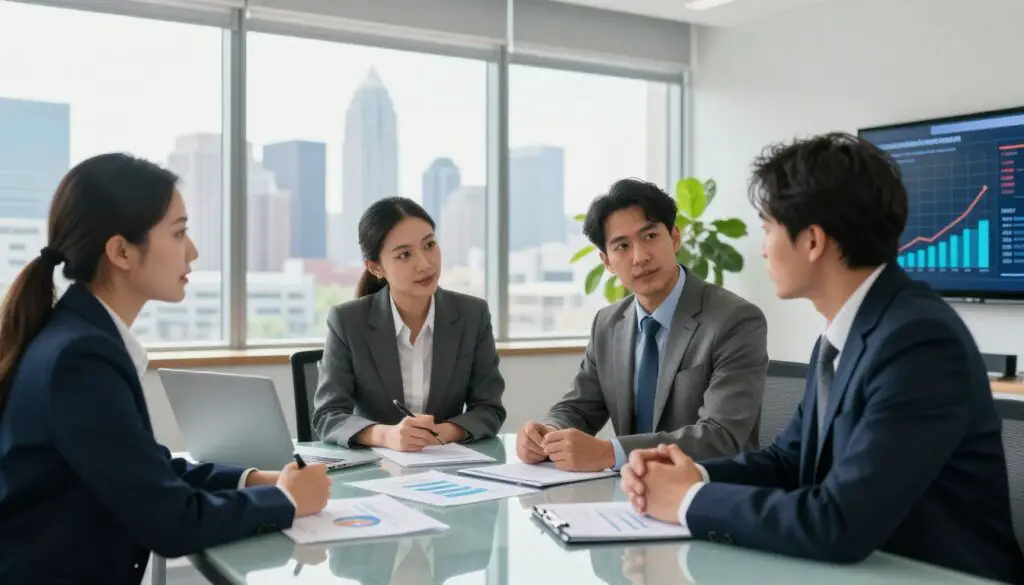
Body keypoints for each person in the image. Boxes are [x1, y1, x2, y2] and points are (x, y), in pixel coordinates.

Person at [620, 133, 1024, 583]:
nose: (762, 247)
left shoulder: (919, 341)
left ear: (812, 241)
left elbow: (839, 522)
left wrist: (687, 500)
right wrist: (692, 472)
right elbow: (789, 462)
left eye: (767, 227)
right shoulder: (839, 338)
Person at [0, 154, 332, 585]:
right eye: (179, 233)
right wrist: (284, 501)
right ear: (120, 251)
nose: (192, 251)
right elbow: (170, 521)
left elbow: (148, 470)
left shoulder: (75, 337)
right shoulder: (79, 359)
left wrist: (254, 479)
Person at [515, 178, 769, 472]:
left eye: (649, 237)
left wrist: (611, 453)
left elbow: (721, 436)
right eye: (622, 246)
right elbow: (578, 407)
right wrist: (547, 433)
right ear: (607, 262)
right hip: (630, 496)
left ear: (674, 237)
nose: (640, 257)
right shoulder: (608, 324)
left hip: (707, 494)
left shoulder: (734, 320)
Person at [312, 197, 506, 450]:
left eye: (429, 245)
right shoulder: (348, 321)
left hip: (448, 467)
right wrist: (386, 436)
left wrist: (441, 433)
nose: (425, 264)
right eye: (404, 254)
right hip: (375, 470)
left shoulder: (473, 314)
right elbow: (328, 416)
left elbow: (489, 409)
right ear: (375, 267)